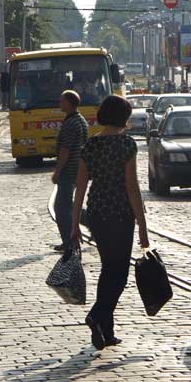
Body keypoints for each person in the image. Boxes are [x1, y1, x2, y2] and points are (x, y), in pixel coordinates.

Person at [70, 95, 149, 350]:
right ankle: (97, 315)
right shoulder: (126, 145)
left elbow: (79, 189)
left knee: (108, 269)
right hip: (121, 214)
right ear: (124, 117)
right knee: (119, 274)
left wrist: (74, 226)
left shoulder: (91, 145)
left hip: (97, 213)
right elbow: (132, 188)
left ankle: (106, 330)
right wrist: (143, 227)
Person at [51, 90, 89, 252]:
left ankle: (69, 241)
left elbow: (65, 149)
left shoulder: (71, 123)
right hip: (78, 168)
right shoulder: (80, 120)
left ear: (69, 103)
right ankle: (92, 221)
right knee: (69, 204)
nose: (60, 103)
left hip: (69, 170)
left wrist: (57, 171)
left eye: (62, 101)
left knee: (61, 207)